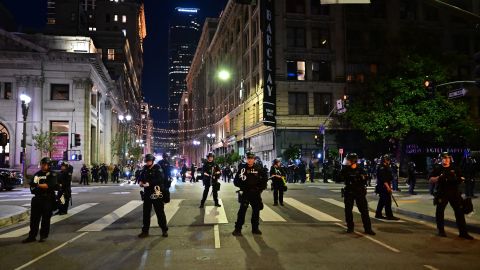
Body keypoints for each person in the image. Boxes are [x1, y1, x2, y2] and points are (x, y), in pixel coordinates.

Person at [429, 152, 473, 239]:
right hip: (442, 192)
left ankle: (463, 232)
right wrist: (439, 177)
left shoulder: (454, 168)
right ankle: (441, 231)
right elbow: (430, 180)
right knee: (440, 212)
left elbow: (462, 178)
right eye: (444, 158)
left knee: (459, 212)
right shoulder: (437, 168)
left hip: (454, 192)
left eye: (448, 158)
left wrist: (459, 179)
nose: (446, 159)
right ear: (441, 159)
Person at [22, 157, 58, 243]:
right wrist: (38, 185)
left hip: (47, 199)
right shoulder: (37, 174)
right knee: (34, 219)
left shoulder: (52, 174)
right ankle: (32, 236)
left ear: (49, 165)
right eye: (42, 164)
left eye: (45, 164)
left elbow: (48, 185)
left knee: (45, 219)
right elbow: (32, 187)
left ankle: (43, 236)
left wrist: (38, 185)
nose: (42, 166)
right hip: (37, 198)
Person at [232, 152, 268, 236]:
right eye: (248, 158)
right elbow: (236, 181)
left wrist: (260, 189)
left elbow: (264, 179)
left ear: (254, 159)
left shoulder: (258, 168)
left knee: (256, 211)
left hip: (255, 193)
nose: (250, 160)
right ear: (246, 159)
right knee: (242, 211)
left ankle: (255, 228)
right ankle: (238, 229)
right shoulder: (242, 168)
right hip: (245, 193)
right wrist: (242, 187)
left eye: (251, 159)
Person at [339, 153, 375, 235]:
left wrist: (362, 178)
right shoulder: (345, 169)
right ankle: (350, 227)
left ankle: (368, 229)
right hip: (349, 191)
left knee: (364, 211)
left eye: (348, 160)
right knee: (348, 211)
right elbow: (338, 178)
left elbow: (366, 179)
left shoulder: (360, 169)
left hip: (359, 192)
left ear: (352, 161)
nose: (347, 161)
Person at [138, 154, 168, 238]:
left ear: (152, 161)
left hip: (156, 193)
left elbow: (160, 179)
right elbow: (140, 177)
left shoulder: (158, 168)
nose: (147, 163)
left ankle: (164, 229)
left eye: (149, 161)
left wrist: (150, 183)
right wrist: (140, 181)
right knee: (146, 213)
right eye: (146, 161)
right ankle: (145, 231)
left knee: (159, 212)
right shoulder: (145, 168)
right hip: (147, 193)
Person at [375, 155, 400, 220]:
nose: (389, 161)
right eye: (387, 159)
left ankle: (378, 214)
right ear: (384, 160)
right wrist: (388, 187)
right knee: (387, 201)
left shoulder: (386, 166)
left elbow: (388, 177)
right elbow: (383, 179)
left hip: (385, 185)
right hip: (383, 186)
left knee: (382, 201)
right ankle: (389, 216)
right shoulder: (382, 167)